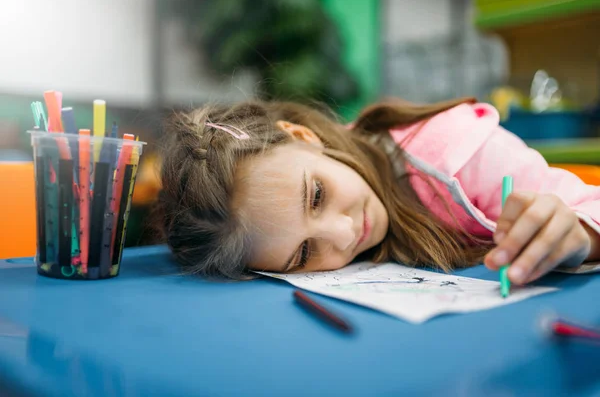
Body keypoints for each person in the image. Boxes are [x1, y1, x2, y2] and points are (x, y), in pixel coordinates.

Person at [156, 98, 600, 284]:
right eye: (304, 255)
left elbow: (589, 206)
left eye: (317, 196)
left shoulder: (459, 154)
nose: (346, 233)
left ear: (304, 136)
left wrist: (579, 230)